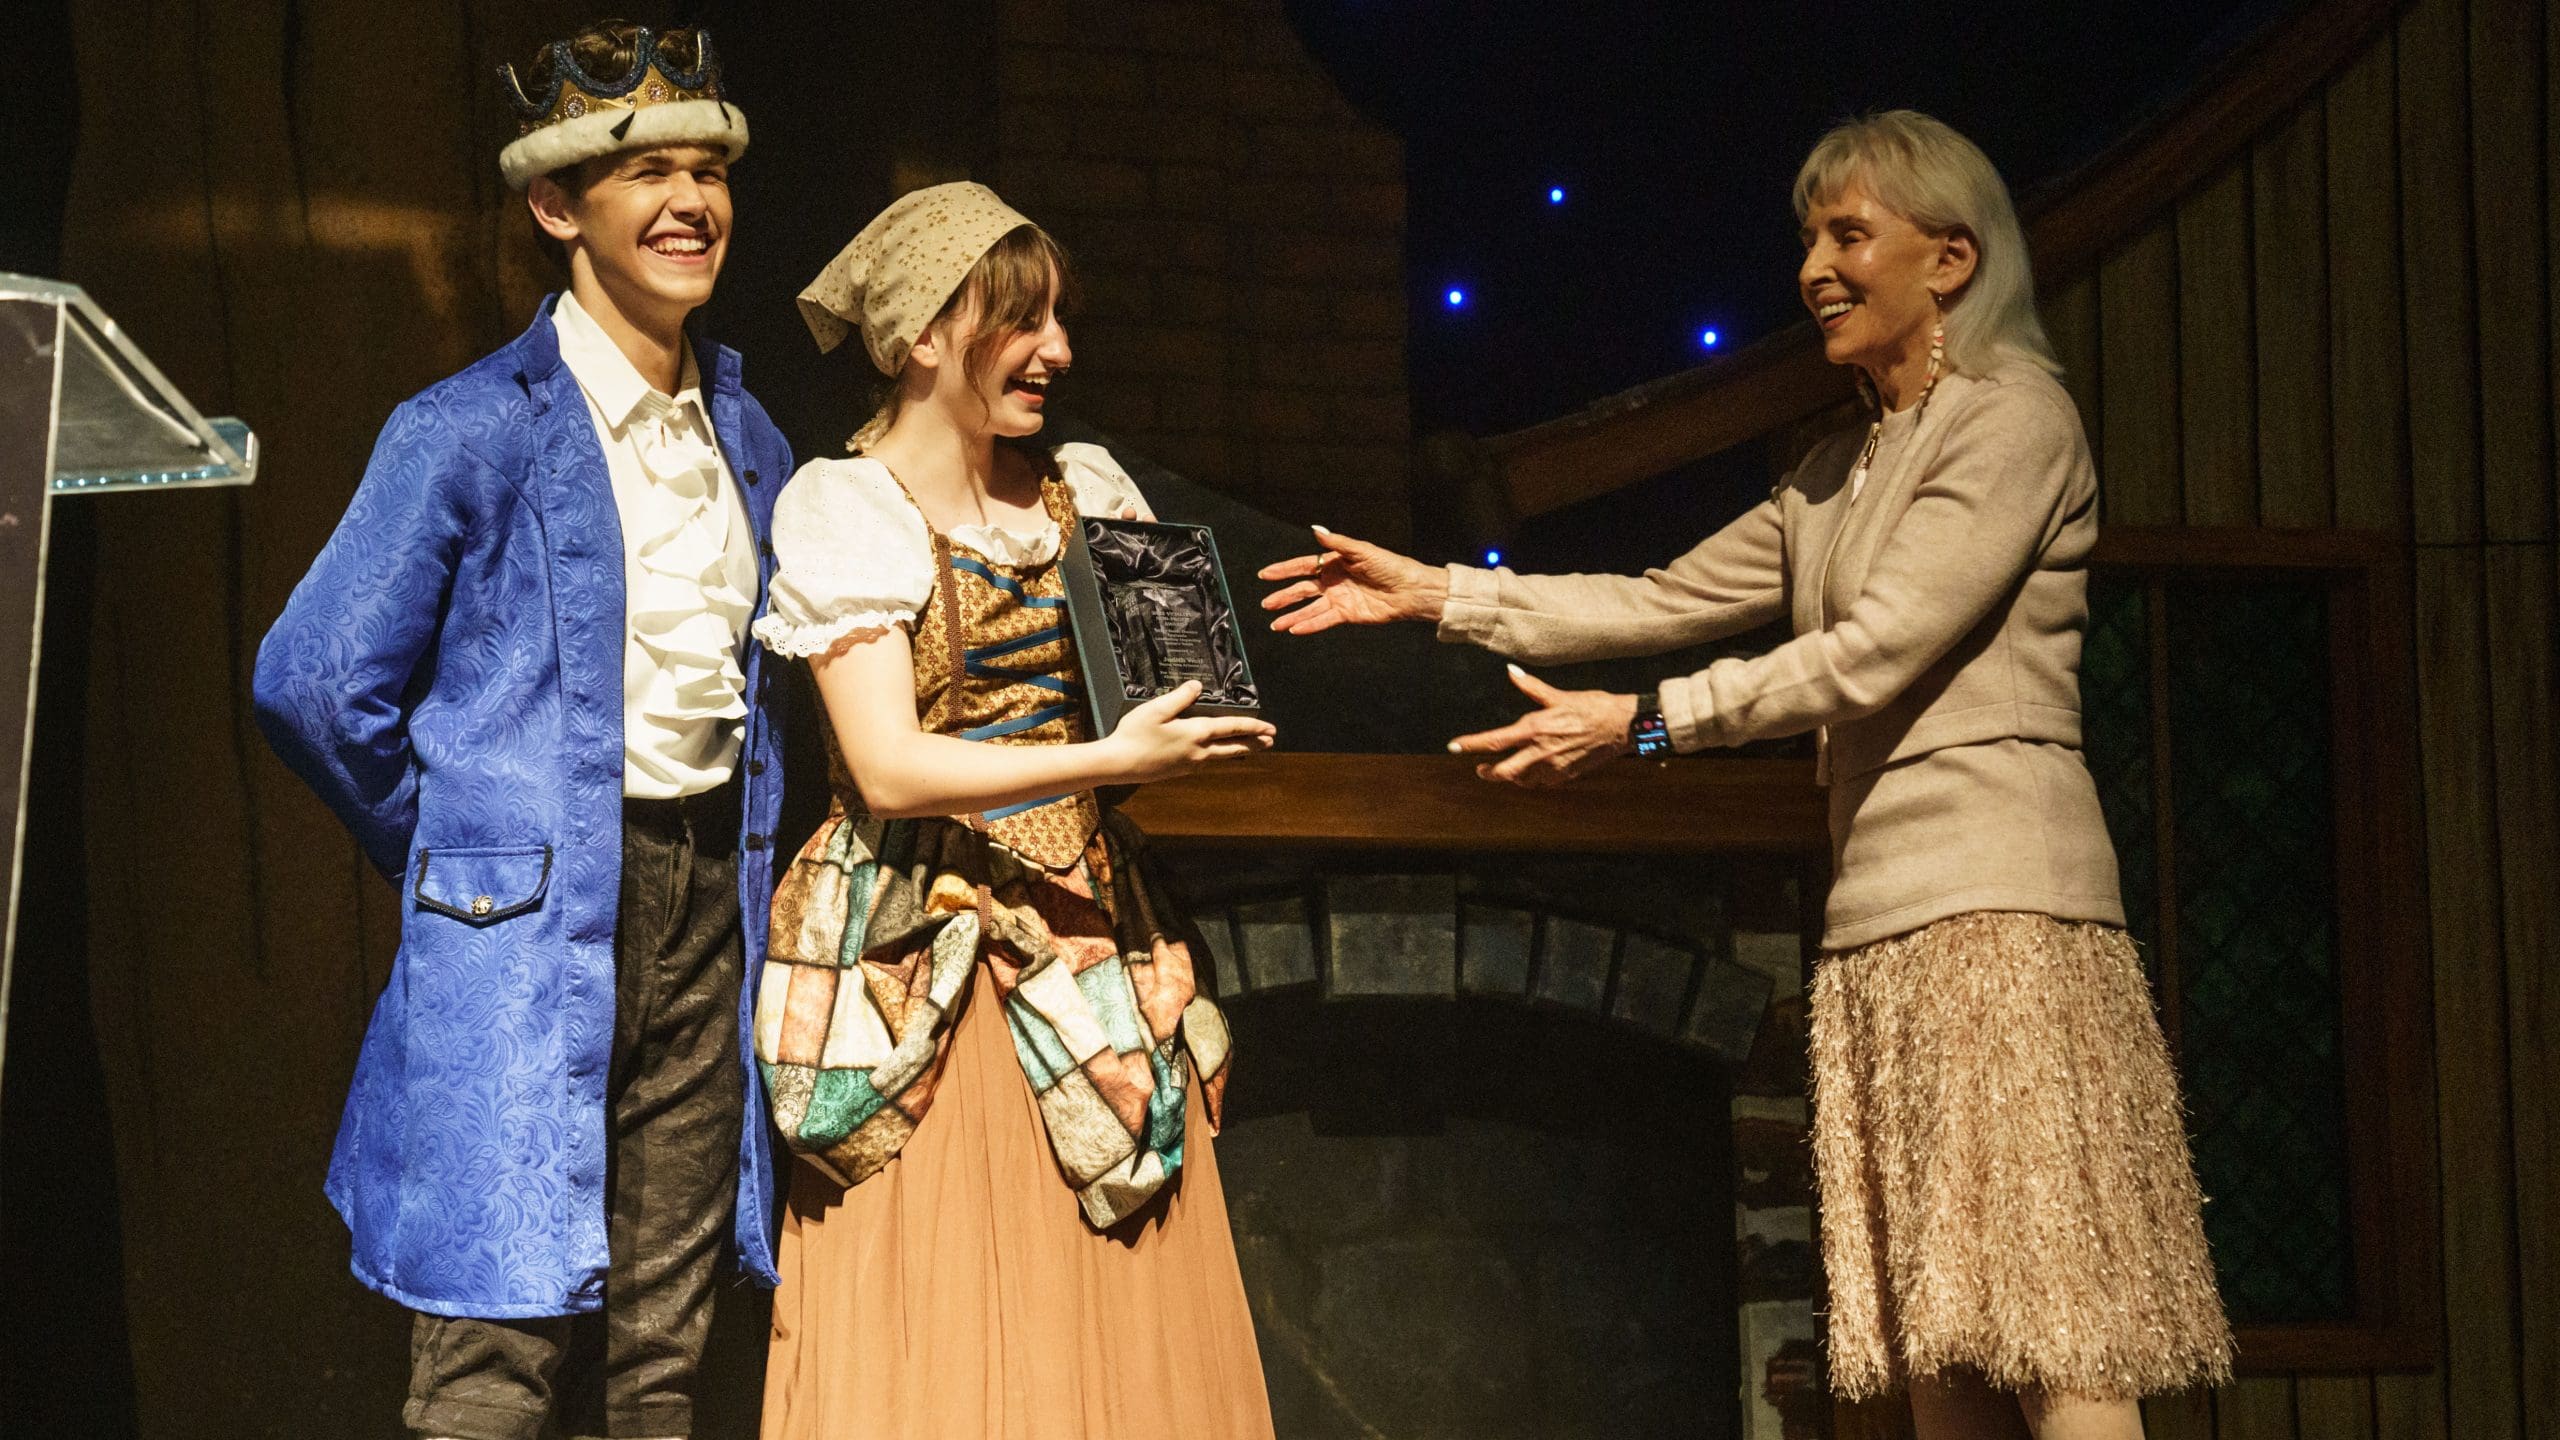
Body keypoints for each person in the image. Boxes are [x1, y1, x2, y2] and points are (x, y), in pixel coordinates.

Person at [1259, 110, 2231, 1440]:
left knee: (2057, 1343)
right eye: (1809, 240)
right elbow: (1658, 599)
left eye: (1850, 236)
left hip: (2001, 917)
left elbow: (1875, 652)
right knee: (1940, 1355)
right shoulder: (1837, 470)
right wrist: (1436, 594)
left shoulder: (2014, 422)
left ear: (1950, 259)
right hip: (1880, 927)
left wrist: (1645, 729)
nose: (1814, 269)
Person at [251, 23, 791, 1440]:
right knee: (493, 1349)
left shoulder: (750, 439)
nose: (691, 202)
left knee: (660, 1361)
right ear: (558, 206)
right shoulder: (468, 428)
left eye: (709, 170)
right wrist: (458, 843)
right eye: (647, 173)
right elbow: (313, 680)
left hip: (704, 905)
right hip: (524, 922)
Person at [751, 182, 1277, 1440]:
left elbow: (1146, 706)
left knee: (1116, 1283)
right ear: (924, 336)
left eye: (1057, 320)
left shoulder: (1081, 490)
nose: (1058, 350)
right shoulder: (847, 508)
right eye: (1021, 320)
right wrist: (1104, 756)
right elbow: (887, 766)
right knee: (939, 1275)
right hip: (918, 933)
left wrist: (1176, 732)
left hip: (1088, 915)